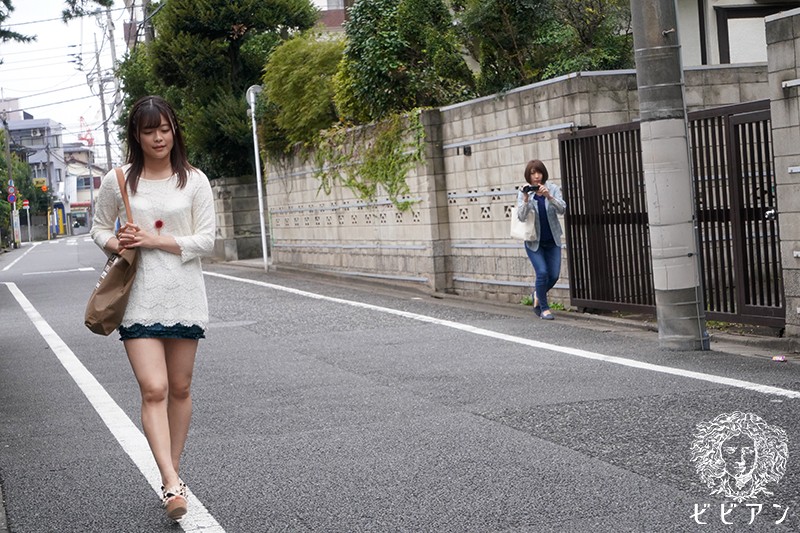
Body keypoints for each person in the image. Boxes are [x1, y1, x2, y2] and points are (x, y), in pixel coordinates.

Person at [90, 95, 216, 520]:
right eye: (149, 131)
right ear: (136, 135)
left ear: (174, 130)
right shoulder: (119, 180)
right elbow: (99, 228)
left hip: (184, 296)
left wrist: (153, 240)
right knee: (154, 388)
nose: (159, 137)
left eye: (164, 128)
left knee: (179, 388)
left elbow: (206, 240)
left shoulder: (194, 180)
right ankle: (170, 480)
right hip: (139, 299)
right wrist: (117, 243)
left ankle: (171, 475)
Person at [516, 159, 566, 320]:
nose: (536, 176)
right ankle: (544, 308)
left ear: (543, 173)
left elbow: (562, 209)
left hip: (552, 240)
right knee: (542, 272)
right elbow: (521, 217)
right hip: (534, 242)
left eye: (539, 172)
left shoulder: (552, 188)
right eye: (533, 174)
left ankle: (537, 294)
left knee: (554, 275)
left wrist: (549, 196)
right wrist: (525, 198)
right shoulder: (525, 192)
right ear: (528, 176)